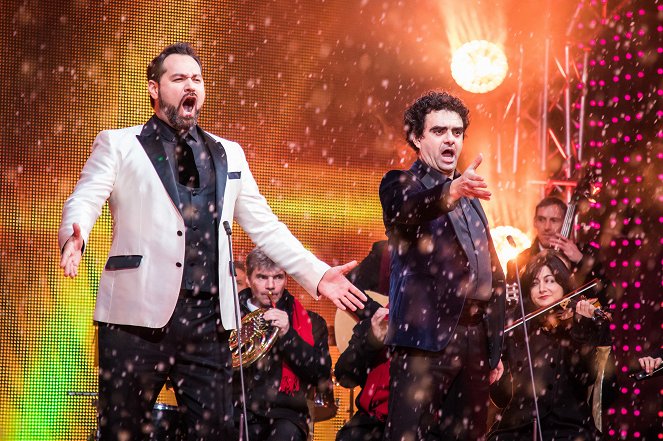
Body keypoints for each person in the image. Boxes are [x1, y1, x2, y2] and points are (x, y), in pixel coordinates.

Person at [58, 42, 365, 439]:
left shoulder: (227, 154)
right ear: (155, 89)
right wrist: (75, 232)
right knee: (122, 431)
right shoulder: (120, 144)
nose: (191, 85)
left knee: (216, 431)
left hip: (207, 323)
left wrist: (319, 276)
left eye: (197, 79)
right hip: (136, 321)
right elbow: (85, 196)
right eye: (179, 78)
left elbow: (266, 226)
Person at [379, 90, 506, 440]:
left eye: (457, 131)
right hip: (424, 340)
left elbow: (491, 273)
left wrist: (495, 347)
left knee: (469, 434)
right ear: (417, 138)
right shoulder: (402, 183)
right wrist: (451, 193)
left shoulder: (470, 196)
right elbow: (406, 211)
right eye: (438, 131)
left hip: (474, 340)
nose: (450, 138)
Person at [488, 251, 609, 440]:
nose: (542, 288)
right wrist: (495, 378)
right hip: (519, 426)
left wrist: (579, 330)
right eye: (535, 283)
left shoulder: (577, 325)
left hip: (568, 424)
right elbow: (502, 399)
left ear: (563, 284)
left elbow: (586, 378)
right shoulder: (516, 326)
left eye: (550, 280)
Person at [234, 248, 332, 441]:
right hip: (235, 411)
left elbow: (321, 376)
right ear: (248, 279)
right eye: (262, 277)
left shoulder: (311, 322)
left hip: (286, 416)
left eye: (278, 277)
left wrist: (288, 334)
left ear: (286, 278)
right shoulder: (229, 315)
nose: (271, 286)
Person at [506, 197, 609, 306]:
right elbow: (514, 308)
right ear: (534, 222)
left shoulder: (586, 253)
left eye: (554, 220)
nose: (547, 227)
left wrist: (581, 260)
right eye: (541, 219)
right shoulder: (518, 262)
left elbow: (605, 296)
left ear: (566, 223)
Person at [334, 305, 390, 441]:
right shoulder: (378, 319)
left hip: (420, 422)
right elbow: (344, 376)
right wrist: (372, 340)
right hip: (372, 420)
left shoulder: (438, 330)